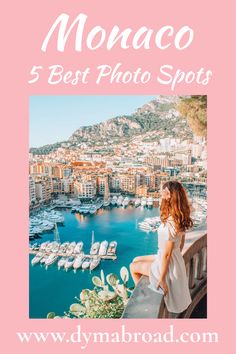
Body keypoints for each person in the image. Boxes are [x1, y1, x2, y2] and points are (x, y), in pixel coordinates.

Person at [130, 181, 193, 313]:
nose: (160, 192)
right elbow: (180, 244)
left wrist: (162, 279)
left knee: (133, 267)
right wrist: (176, 258)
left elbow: (166, 255)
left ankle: (142, 298)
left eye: (163, 191)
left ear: (169, 195)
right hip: (171, 258)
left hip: (166, 262)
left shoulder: (171, 222)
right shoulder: (179, 216)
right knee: (136, 259)